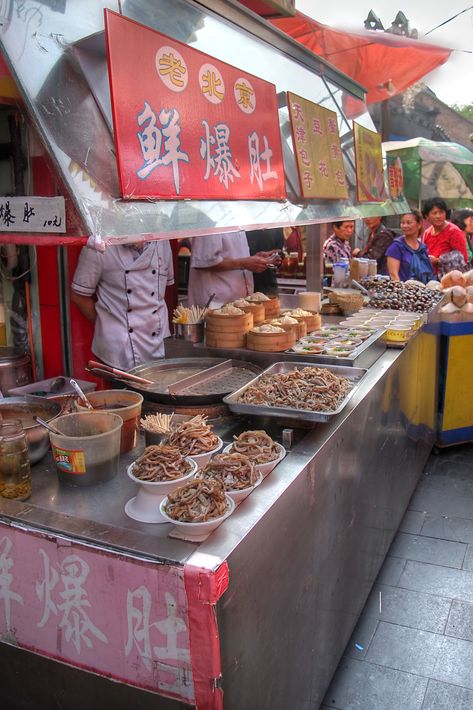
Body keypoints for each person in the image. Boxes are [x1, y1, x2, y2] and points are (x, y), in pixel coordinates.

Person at [71, 240, 174, 370]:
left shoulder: (163, 241)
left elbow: (165, 289)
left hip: (161, 345)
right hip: (120, 354)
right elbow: (79, 297)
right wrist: (108, 324)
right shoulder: (98, 246)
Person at [186, 230, 279, 308]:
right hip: (215, 306)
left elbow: (235, 257)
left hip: (239, 304)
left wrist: (256, 259)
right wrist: (244, 263)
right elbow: (203, 261)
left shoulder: (236, 219)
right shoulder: (211, 218)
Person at [386, 210, 434, 283]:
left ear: (419, 225)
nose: (405, 226)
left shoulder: (423, 248)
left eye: (409, 223)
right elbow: (393, 275)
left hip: (422, 291)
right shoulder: (396, 247)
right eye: (402, 223)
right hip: (404, 291)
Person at [422, 197, 468, 275]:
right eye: (434, 213)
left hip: (451, 280)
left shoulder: (454, 232)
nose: (438, 216)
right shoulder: (427, 233)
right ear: (427, 216)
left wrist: (438, 260)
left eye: (441, 212)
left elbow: (463, 259)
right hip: (431, 279)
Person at [246, 228, 284, 296]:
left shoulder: (275, 225)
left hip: (268, 282)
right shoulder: (240, 224)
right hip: (242, 283)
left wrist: (276, 258)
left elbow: (279, 251)